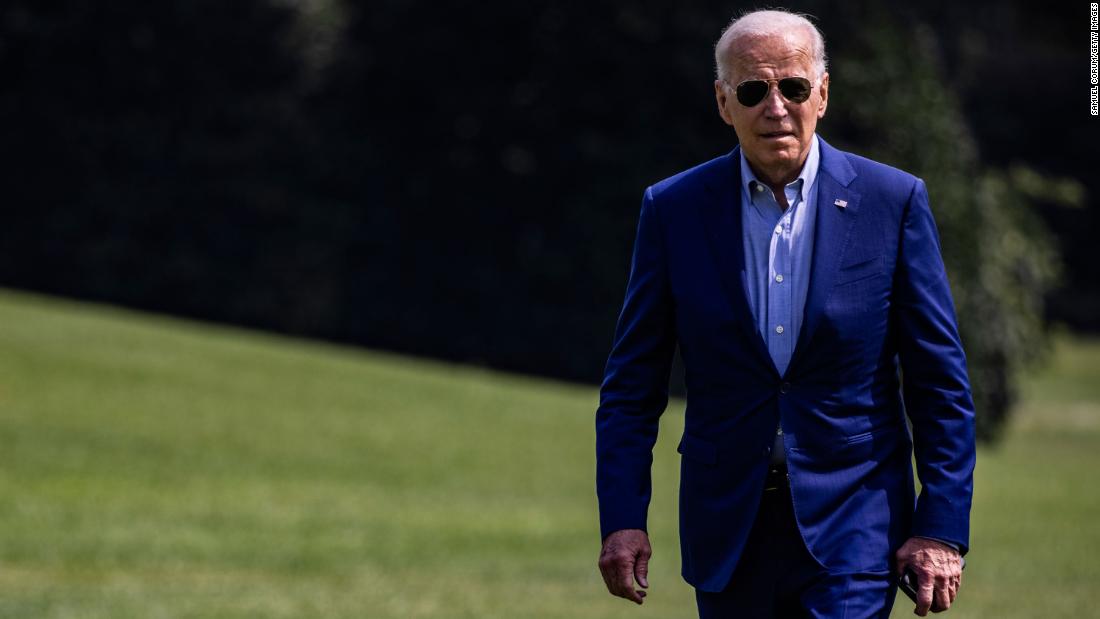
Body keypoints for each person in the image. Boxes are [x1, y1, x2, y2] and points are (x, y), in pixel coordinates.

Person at [594, 9, 975, 618]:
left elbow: (940, 384)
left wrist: (941, 529)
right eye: (753, 91)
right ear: (723, 102)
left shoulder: (893, 202)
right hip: (727, 526)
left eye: (793, 87)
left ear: (822, 94)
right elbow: (631, 387)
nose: (776, 107)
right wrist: (622, 520)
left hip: (857, 523)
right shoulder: (674, 209)